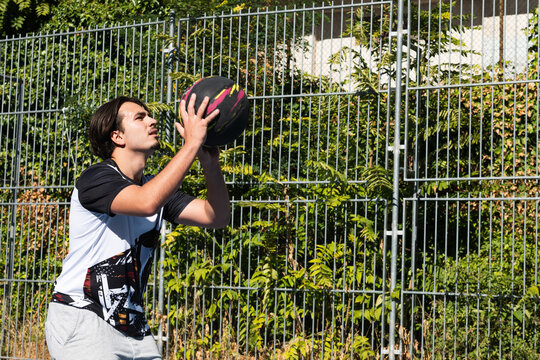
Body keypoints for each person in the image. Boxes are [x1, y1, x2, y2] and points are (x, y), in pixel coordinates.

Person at [44, 94, 230, 359]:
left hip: (132, 326)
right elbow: (146, 203)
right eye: (140, 117)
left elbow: (216, 216)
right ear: (117, 136)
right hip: (84, 316)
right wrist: (190, 144)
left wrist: (210, 165)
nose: (152, 121)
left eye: (149, 115)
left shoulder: (153, 186)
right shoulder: (96, 178)